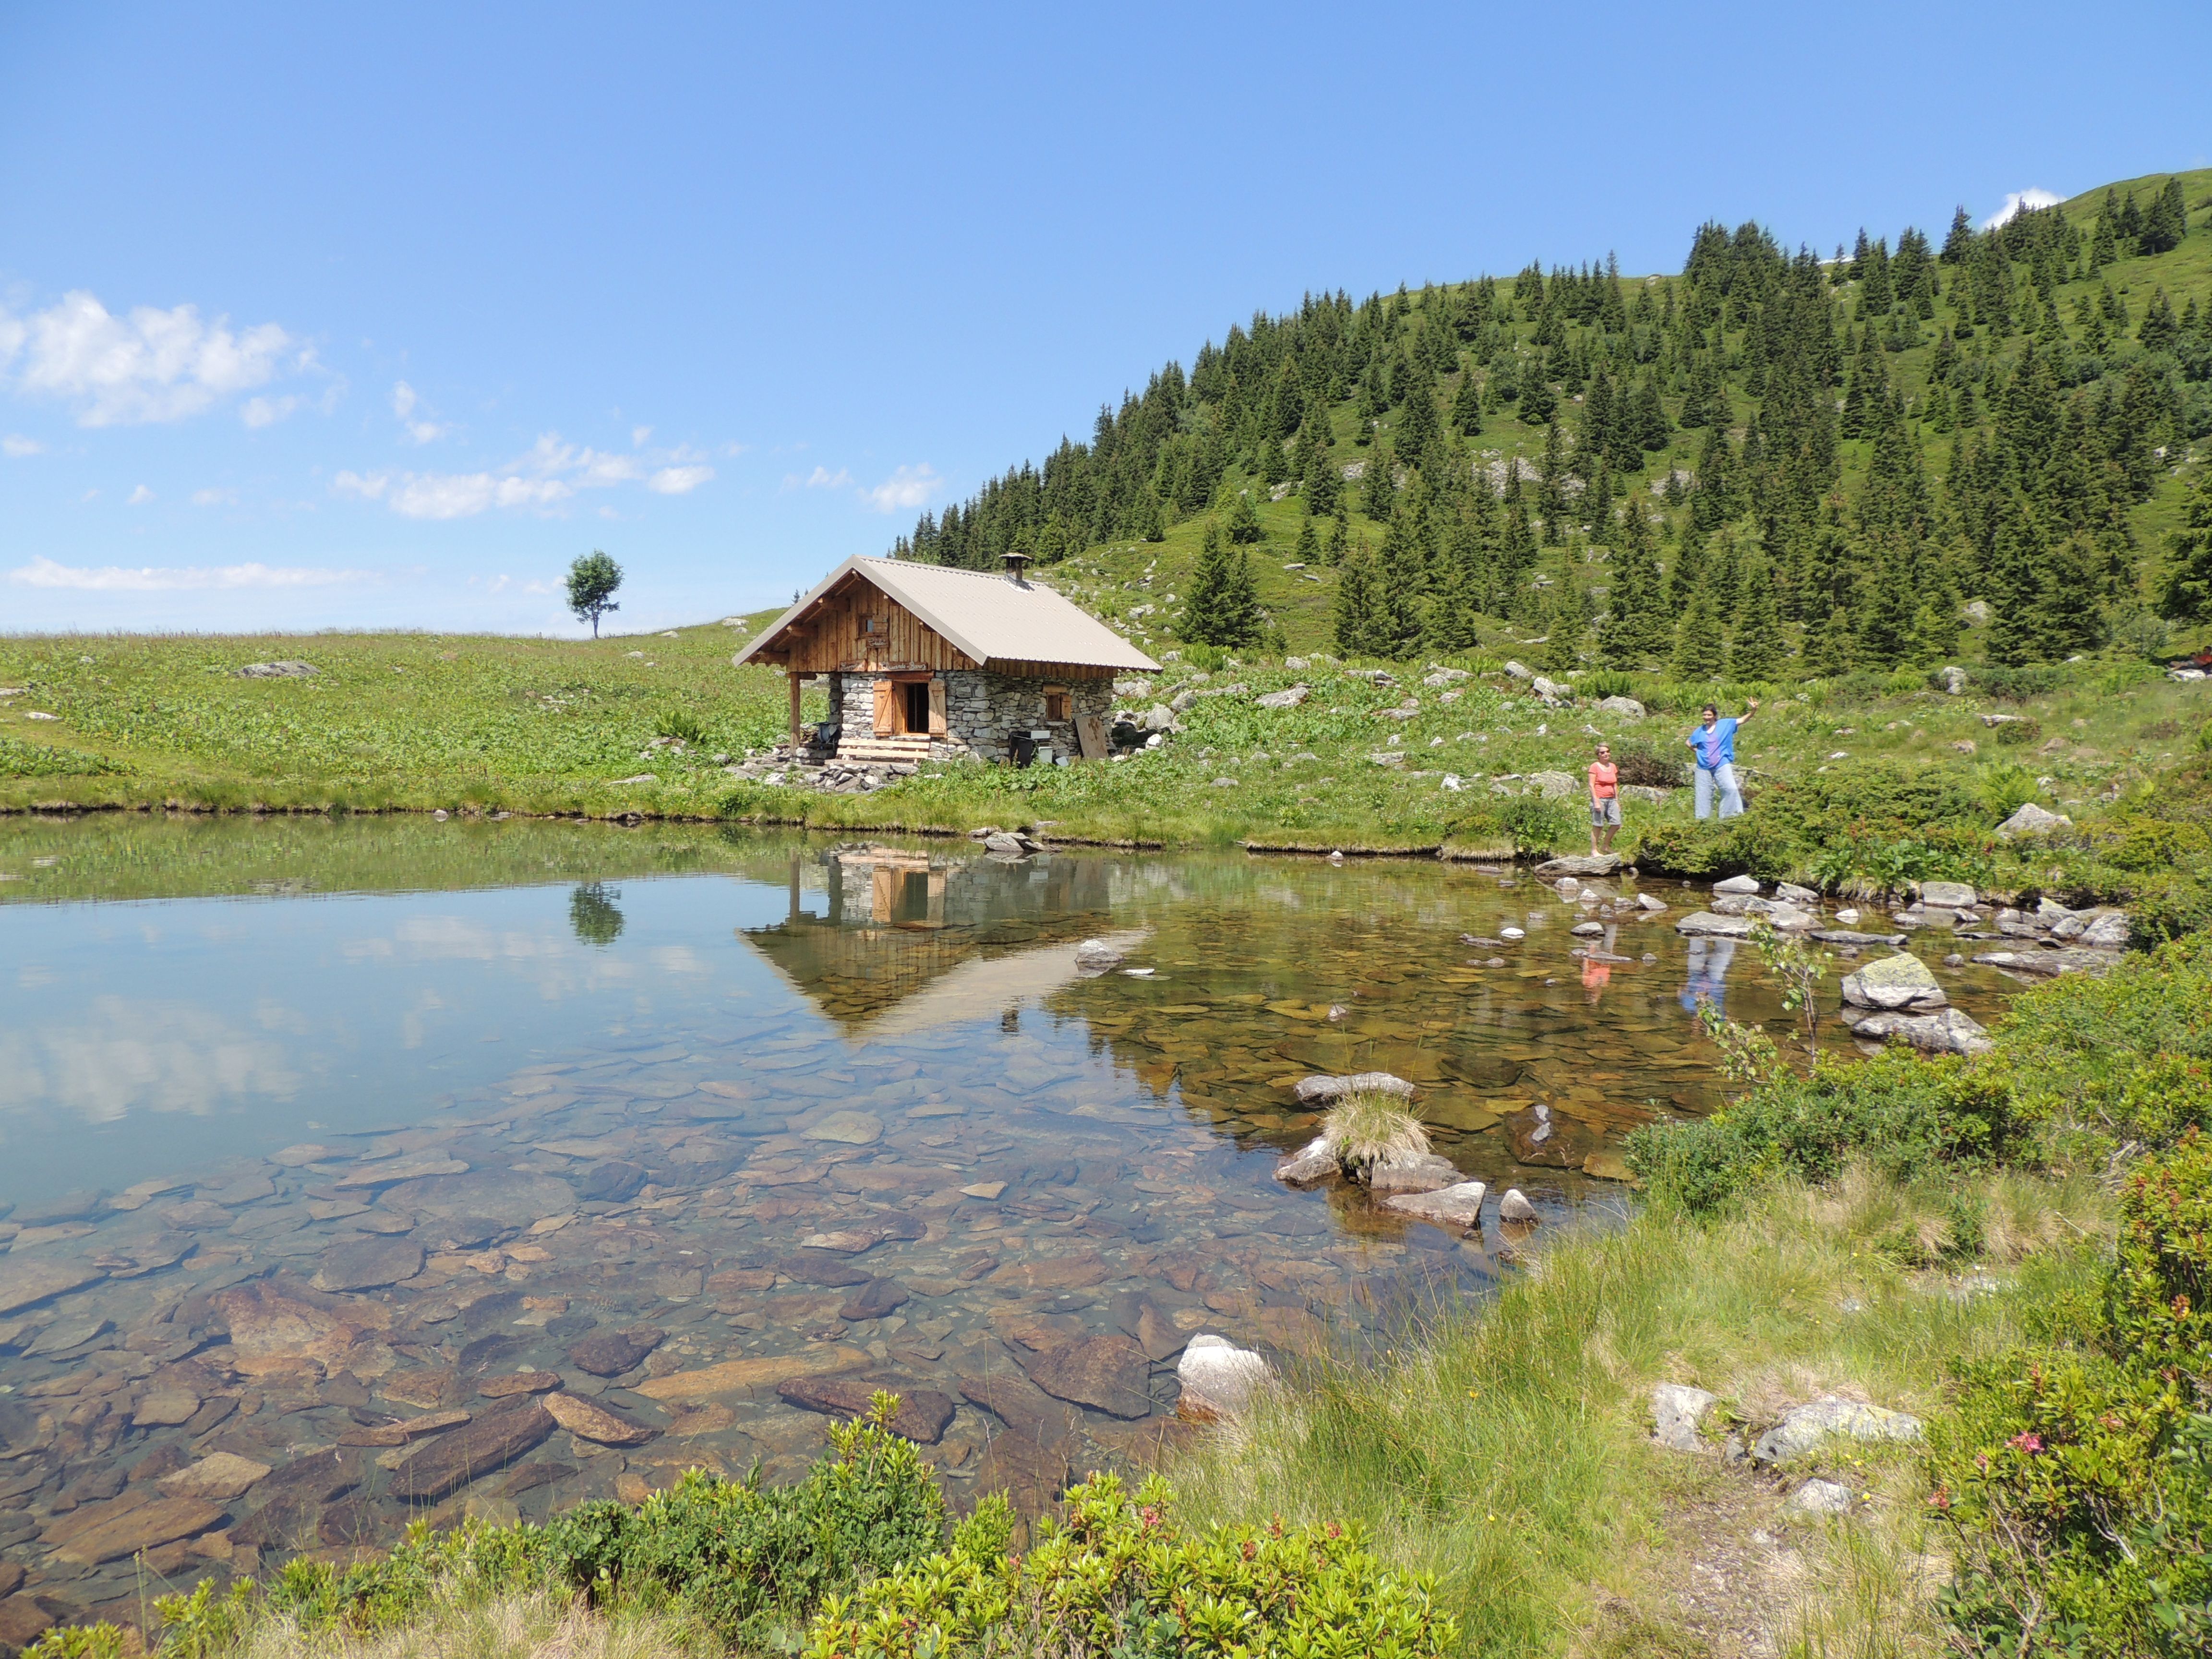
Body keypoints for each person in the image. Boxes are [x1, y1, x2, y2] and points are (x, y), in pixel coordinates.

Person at [1684, 699, 1758, 819]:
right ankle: (1703, 823)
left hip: (1721, 763)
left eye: (1709, 715)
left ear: (1715, 716)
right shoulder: (1700, 730)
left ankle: (1729, 818)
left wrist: (1753, 710)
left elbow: (1743, 720)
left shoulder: (1725, 724)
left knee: (1730, 789)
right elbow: (1688, 743)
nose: (1706, 717)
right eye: (1704, 715)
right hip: (1703, 767)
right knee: (1703, 795)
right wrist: (1697, 752)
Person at [1586, 741, 1620, 854]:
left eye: (1607, 752)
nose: (1606, 754)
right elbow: (1591, 785)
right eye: (1603, 752)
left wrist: (1617, 801)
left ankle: (1605, 846)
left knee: (1616, 824)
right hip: (1600, 799)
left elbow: (1615, 784)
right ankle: (1594, 850)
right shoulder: (1595, 766)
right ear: (1598, 755)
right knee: (1598, 825)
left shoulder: (1613, 766)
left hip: (1612, 799)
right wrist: (1596, 802)